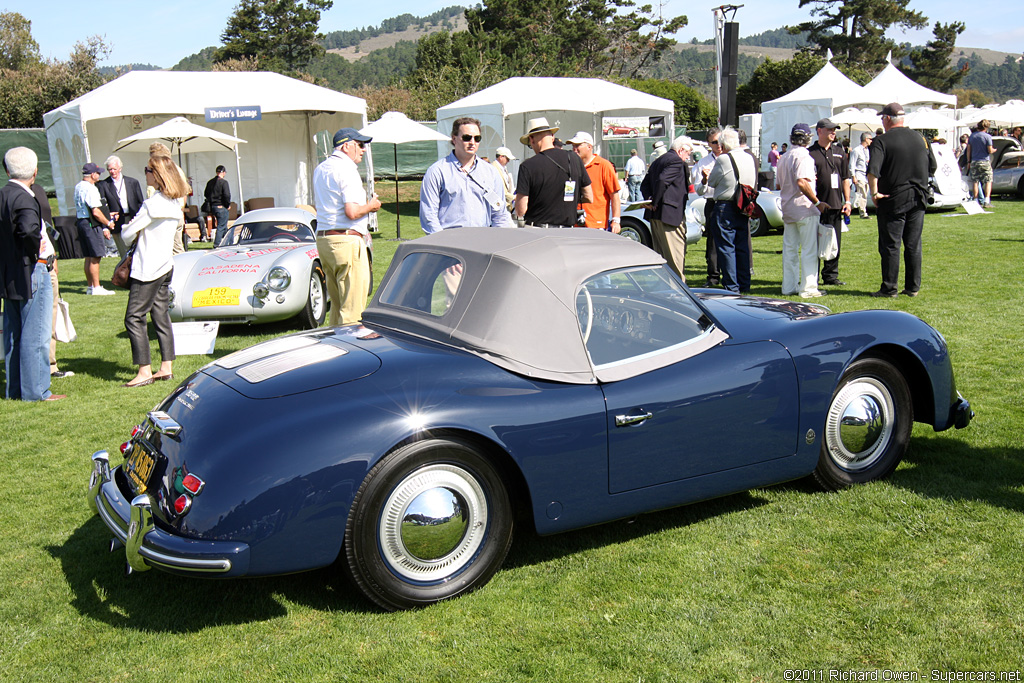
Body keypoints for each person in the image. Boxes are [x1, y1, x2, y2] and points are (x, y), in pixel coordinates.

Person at [1, 147, 63, 401]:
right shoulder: (26, 197)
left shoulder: (4, 194)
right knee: (36, 332)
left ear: (7, 170)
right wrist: (33, 253)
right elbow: (28, 231)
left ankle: (15, 389)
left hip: (10, 269)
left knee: (14, 333)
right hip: (31, 267)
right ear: (35, 171)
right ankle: (37, 391)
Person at [120, 154, 187, 388]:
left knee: (134, 317)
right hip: (165, 266)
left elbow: (127, 235)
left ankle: (144, 370)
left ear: (157, 176)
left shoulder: (152, 205)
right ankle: (166, 367)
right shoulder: (174, 204)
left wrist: (126, 227)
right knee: (161, 315)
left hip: (147, 269)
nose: (145, 173)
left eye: (148, 170)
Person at [867, 102, 936, 298]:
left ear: (888, 119)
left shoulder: (881, 141)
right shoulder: (921, 138)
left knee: (891, 244)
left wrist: (874, 193)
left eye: (882, 118)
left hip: (893, 197)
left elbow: (873, 172)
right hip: (919, 196)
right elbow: (933, 166)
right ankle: (913, 287)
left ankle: (889, 288)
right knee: (913, 244)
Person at [313, 127, 380, 326]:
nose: (363, 149)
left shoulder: (321, 169)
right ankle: (351, 354)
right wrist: (371, 206)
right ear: (346, 146)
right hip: (346, 240)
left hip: (325, 241)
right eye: (360, 145)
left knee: (337, 305)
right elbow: (352, 212)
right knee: (352, 311)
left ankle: (334, 350)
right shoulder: (347, 169)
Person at [420, 117, 511, 234]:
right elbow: (429, 215)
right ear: (454, 139)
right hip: (449, 243)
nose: (472, 142)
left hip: (483, 243)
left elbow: (499, 213)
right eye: (467, 138)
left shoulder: (491, 173)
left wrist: (499, 240)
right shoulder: (437, 172)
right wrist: (442, 244)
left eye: (477, 138)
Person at [776, 124, 828, 298]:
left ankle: (788, 286)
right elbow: (802, 182)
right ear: (808, 138)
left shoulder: (783, 157)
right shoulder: (804, 157)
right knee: (809, 249)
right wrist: (817, 202)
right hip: (804, 208)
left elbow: (778, 184)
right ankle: (809, 288)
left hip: (788, 208)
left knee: (790, 250)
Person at [514, 117, 592, 229]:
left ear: (532, 139)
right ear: (552, 137)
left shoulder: (527, 166)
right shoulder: (574, 158)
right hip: (567, 231)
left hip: (537, 230)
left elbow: (521, 210)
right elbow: (589, 197)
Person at [706, 127, 757, 293]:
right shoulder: (749, 157)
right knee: (742, 246)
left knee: (726, 247)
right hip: (743, 204)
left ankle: (731, 286)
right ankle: (744, 283)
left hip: (725, 205)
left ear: (723, 143)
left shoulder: (724, 159)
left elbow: (712, 182)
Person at [640, 136, 691, 280]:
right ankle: (678, 291)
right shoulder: (675, 160)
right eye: (688, 153)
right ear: (681, 150)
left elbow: (645, 184)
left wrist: (650, 200)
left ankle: (667, 289)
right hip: (669, 215)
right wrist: (654, 201)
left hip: (656, 215)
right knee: (675, 257)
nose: (688, 156)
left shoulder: (658, 160)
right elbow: (663, 180)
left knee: (662, 256)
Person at [808, 118, 852, 287]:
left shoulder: (839, 151)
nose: (833, 133)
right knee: (815, 241)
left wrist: (847, 201)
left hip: (835, 204)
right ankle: (812, 275)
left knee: (834, 242)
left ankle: (831, 275)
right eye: (830, 130)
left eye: (835, 130)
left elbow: (845, 178)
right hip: (815, 205)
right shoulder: (811, 152)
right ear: (820, 131)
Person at [74, 162, 117, 295]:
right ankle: (97, 287)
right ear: (92, 174)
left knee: (88, 256)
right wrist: (108, 223)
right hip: (91, 224)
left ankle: (90, 286)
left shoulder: (78, 186)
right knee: (95, 256)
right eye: (98, 173)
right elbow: (96, 212)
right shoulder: (91, 188)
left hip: (81, 222)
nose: (99, 175)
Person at [568, 131, 621, 233]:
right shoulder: (570, 166)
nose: (574, 149)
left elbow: (614, 195)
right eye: (573, 146)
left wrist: (616, 220)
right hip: (574, 224)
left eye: (578, 145)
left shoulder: (604, 165)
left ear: (589, 147)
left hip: (596, 225)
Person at [97, 155, 145, 259]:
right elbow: (103, 207)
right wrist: (106, 226)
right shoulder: (104, 185)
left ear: (120, 168)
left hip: (132, 218)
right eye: (110, 169)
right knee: (124, 252)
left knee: (137, 248)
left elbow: (140, 203)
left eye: (114, 169)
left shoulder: (132, 182)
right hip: (116, 222)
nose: (112, 172)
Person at [694, 127, 722, 287]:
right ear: (709, 144)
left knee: (729, 240)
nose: (718, 145)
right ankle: (713, 276)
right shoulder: (704, 163)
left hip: (728, 202)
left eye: (720, 141)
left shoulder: (729, 158)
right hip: (712, 202)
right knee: (712, 242)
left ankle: (731, 275)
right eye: (715, 142)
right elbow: (698, 190)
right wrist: (705, 180)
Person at [966, 119, 995, 208]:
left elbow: (969, 150)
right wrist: (995, 150)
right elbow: (990, 150)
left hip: (974, 161)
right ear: (986, 127)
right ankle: (986, 201)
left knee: (975, 181)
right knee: (988, 181)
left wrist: (969, 161)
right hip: (985, 161)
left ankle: (975, 200)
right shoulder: (987, 136)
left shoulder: (972, 136)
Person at [203, 165, 232, 244]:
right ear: (224, 173)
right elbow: (227, 195)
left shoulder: (210, 182)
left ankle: (229, 241)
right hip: (221, 206)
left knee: (224, 226)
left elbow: (206, 194)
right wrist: (227, 204)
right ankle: (217, 244)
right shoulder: (224, 182)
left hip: (213, 206)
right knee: (221, 226)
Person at [850, 132, 873, 219]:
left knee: (864, 194)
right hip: (859, 175)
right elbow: (852, 164)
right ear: (866, 139)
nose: (871, 141)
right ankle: (863, 213)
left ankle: (862, 210)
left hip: (866, 176)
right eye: (870, 139)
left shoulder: (867, 150)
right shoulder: (856, 150)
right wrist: (853, 176)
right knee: (862, 194)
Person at [491, 146, 517, 214]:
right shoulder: (494, 169)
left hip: (504, 204)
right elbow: (500, 190)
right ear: (501, 157)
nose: (508, 161)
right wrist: (514, 197)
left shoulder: (502, 168)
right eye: (507, 159)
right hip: (498, 206)